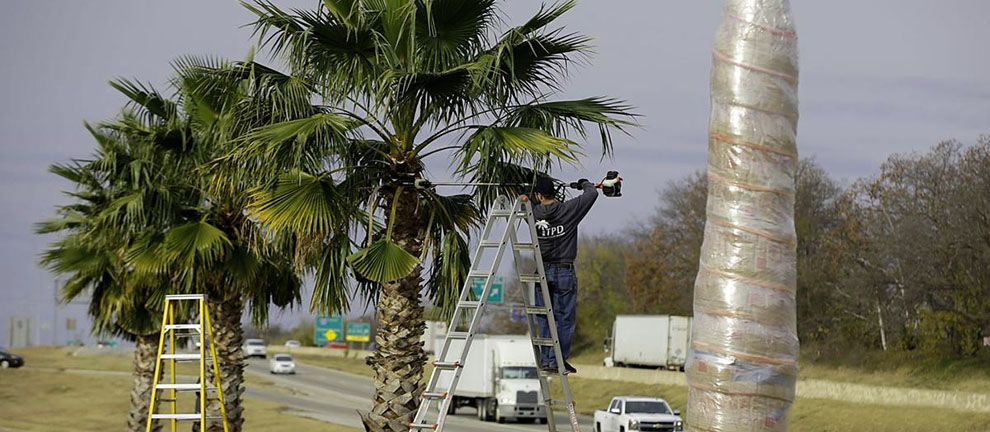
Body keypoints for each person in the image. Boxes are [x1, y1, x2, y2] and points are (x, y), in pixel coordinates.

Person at [530, 175, 599, 374]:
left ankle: (546, 359)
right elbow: (592, 193)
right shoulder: (569, 209)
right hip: (564, 271)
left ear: (539, 195)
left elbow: (528, 199)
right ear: (555, 193)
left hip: (542, 270)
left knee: (544, 317)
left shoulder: (532, 213)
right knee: (564, 318)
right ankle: (558, 360)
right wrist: (584, 184)